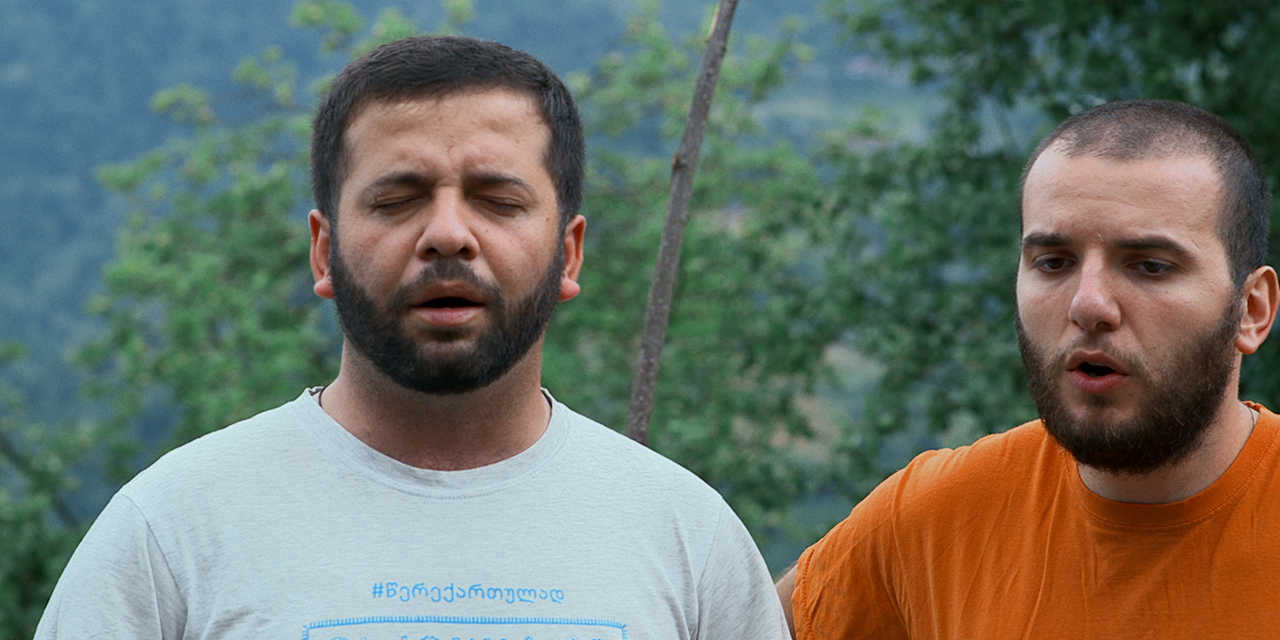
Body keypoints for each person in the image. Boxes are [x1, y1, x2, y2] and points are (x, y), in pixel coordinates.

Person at [36, 35, 788, 639]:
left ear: (569, 252)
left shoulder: (688, 541)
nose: (448, 234)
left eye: (498, 200)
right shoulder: (169, 536)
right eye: (397, 200)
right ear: (324, 252)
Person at [777, 99, 1280, 638]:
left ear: (1251, 310)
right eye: (1054, 262)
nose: (1088, 304)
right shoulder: (933, 520)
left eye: (1151, 266)